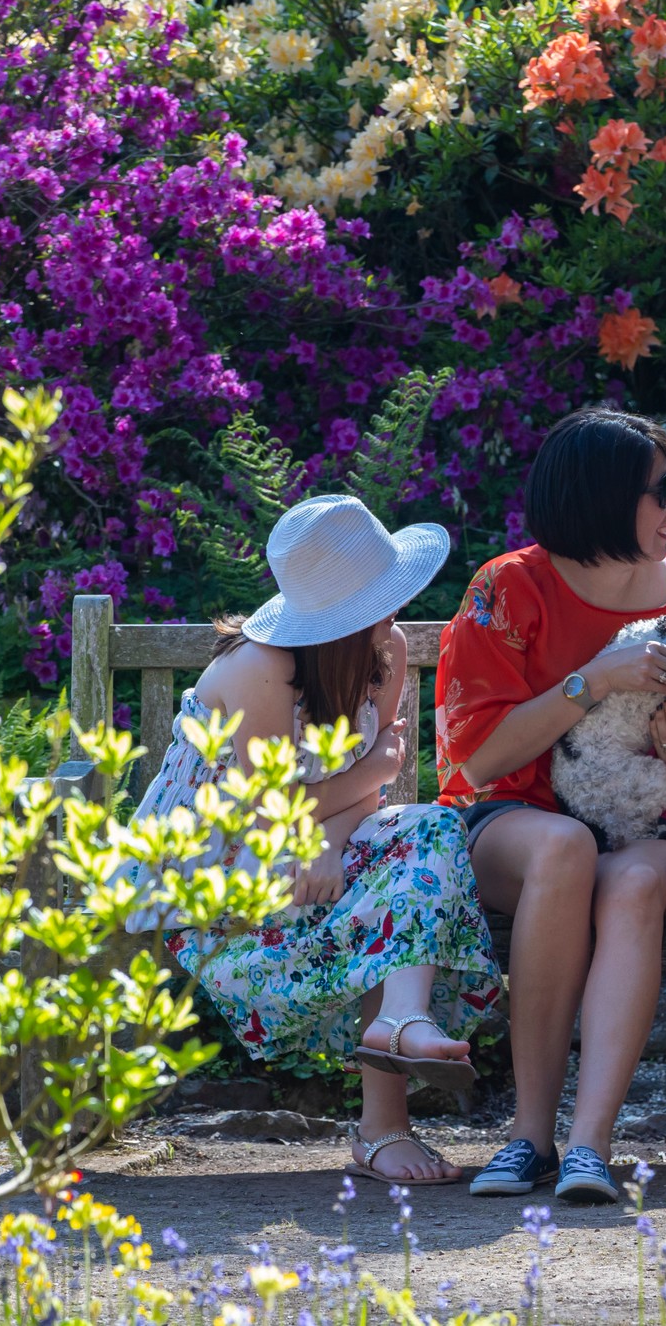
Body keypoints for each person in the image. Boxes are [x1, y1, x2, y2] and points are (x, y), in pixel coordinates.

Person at [131, 494, 500, 1188]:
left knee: (433, 827)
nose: (395, 611)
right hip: (212, 875)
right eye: (384, 599)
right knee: (394, 877)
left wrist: (331, 834)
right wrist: (366, 781)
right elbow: (262, 813)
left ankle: (401, 1017)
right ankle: (382, 1127)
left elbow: (370, 786)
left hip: (308, 846)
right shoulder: (258, 674)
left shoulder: (380, 649)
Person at [435, 406, 666, 1203]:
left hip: (643, 818)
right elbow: (480, 759)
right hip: (514, 820)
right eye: (663, 491)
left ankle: (588, 1147)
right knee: (563, 849)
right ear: (606, 498)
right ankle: (527, 1136)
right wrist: (595, 679)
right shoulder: (507, 588)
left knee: (639, 882)